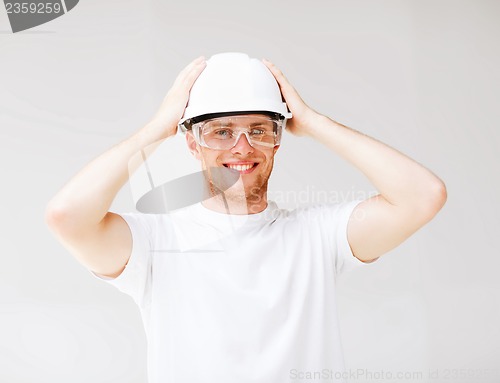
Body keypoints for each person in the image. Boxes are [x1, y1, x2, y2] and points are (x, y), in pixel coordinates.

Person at [45, 52, 447, 383]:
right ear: (191, 143)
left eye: (259, 130)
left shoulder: (317, 236)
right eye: (221, 131)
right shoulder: (157, 241)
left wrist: (315, 123)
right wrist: (154, 130)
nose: (242, 147)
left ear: (278, 140)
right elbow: (68, 216)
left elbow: (423, 196)